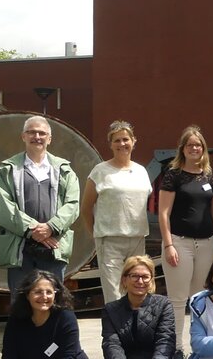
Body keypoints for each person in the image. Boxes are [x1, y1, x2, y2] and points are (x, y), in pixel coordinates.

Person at [159, 125, 213, 359]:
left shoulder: (209, 176)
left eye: (198, 145)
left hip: (207, 244)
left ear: (203, 149)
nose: (194, 148)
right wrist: (168, 245)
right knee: (178, 299)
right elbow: (163, 213)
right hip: (180, 243)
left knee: (200, 299)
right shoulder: (173, 174)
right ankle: (177, 348)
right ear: (183, 149)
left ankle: (199, 347)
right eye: (190, 145)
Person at [0, 115, 82, 294]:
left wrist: (51, 227)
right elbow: (3, 207)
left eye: (42, 133)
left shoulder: (64, 170)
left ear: (49, 139)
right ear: (23, 136)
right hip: (20, 248)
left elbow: (72, 204)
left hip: (53, 247)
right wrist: (34, 230)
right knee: (20, 302)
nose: (37, 137)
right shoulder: (8, 169)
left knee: (53, 302)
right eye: (31, 132)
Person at [83, 120, 153, 303]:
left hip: (137, 240)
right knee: (114, 295)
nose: (122, 144)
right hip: (110, 241)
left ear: (133, 141)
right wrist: (96, 235)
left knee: (137, 292)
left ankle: (136, 330)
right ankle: (115, 331)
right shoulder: (100, 171)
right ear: (110, 144)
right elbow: (86, 208)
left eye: (125, 139)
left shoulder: (141, 171)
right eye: (117, 140)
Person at [102, 255, 177, 359]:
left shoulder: (164, 305)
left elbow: (165, 342)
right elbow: (112, 345)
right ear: (124, 279)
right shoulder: (110, 310)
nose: (140, 281)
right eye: (134, 276)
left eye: (145, 277)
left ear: (151, 280)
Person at [2, 271, 88, 359]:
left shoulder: (65, 317)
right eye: (38, 292)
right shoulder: (16, 319)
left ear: (55, 295)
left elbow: (68, 355)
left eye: (49, 292)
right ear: (27, 295)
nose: (44, 297)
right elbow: (8, 354)